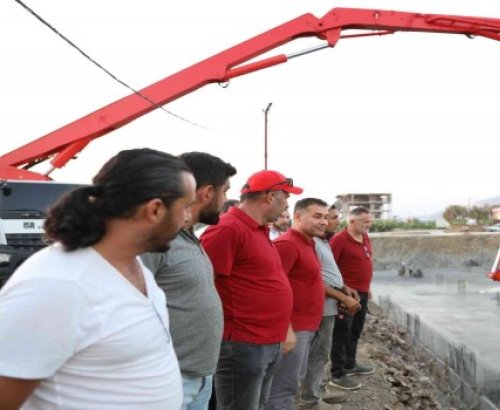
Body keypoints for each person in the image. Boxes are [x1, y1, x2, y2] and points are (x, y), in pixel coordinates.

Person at [0, 148, 194, 409]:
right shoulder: (58, 285)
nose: (187, 218)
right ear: (155, 210)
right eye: (186, 206)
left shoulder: (135, 266)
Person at [141, 152, 237, 410]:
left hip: (199, 378)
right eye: (224, 191)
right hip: (168, 380)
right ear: (207, 192)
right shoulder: (156, 241)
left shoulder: (188, 237)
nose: (225, 200)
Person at [200, 169, 301, 410]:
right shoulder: (228, 229)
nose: (287, 203)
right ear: (270, 196)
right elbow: (202, 286)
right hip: (243, 345)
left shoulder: (257, 230)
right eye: (286, 196)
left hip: (265, 341)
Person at [267, 198, 329, 410]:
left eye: (326, 217)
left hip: (306, 327)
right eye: (317, 216)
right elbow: (271, 289)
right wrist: (286, 329)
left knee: (292, 382)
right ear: (298, 217)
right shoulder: (287, 244)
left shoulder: (308, 242)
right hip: (294, 329)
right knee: (282, 386)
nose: (324, 222)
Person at [300, 206, 361, 407]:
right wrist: (341, 297)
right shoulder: (313, 243)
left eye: (330, 218)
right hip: (319, 306)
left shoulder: (323, 242)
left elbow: (326, 272)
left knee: (320, 353)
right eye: (324, 217)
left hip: (328, 304)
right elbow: (313, 280)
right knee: (316, 353)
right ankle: (309, 399)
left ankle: (313, 393)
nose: (330, 222)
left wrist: (344, 287)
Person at [329, 207, 376, 389]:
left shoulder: (364, 237)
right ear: (352, 222)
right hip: (345, 295)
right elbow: (329, 268)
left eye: (369, 221)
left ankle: (350, 364)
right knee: (341, 332)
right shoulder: (340, 240)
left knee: (355, 330)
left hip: (362, 293)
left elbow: (365, 262)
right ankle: (338, 374)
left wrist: (368, 288)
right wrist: (341, 293)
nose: (368, 224)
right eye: (365, 221)